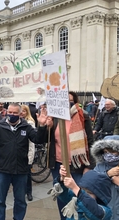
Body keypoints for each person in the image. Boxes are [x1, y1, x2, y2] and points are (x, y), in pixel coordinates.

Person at [0, 102, 48, 220]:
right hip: (3, 169)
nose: (11, 115)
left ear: (20, 114)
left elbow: (38, 139)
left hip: (20, 170)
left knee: (20, 201)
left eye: (14, 113)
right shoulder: (0, 126)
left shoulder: (26, 127)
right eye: (10, 112)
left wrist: (42, 126)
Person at [47, 91, 95, 220]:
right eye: (64, 101)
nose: (67, 104)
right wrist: (45, 126)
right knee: (62, 197)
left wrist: (88, 167)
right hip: (58, 165)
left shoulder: (82, 116)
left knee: (78, 198)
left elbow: (90, 142)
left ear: (75, 102)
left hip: (77, 166)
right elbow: (42, 139)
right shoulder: (54, 117)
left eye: (70, 101)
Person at [91, 136, 119, 219]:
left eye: (111, 151)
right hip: (104, 212)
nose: (108, 155)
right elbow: (91, 183)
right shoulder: (100, 167)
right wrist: (107, 175)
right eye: (105, 152)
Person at [20, 104, 36, 201]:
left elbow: (31, 142)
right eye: (20, 111)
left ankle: (29, 192)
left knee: (27, 174)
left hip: (27, 152)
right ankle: (21, 191)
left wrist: (30, 156)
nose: (22, 112)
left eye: (24, 111)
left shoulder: (30, 123)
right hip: (19, 152)